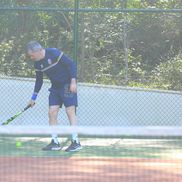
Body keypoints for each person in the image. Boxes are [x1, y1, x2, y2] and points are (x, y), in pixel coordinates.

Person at [26, 41, 82, 152]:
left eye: (31, 55)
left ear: (37, 51)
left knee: (70, 111)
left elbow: (70, 64)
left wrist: (73, 81)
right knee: (51, 112)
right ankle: (55, 142)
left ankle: (76, 141)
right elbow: (39, 81)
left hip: (67, 85)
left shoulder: (54, 52)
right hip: (55, 88)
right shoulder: (37, 64)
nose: (30, 57)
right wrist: (33, 98)